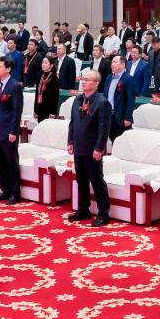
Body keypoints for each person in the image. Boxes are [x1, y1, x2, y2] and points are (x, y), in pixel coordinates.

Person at [65, 69, 113, 226]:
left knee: (97, 181)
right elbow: (73, 123)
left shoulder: (102, 102)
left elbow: (104, 129)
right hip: (79, 145)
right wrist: (70, 141)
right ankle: (83, 209)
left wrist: (99, 148)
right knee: (81, 180)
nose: (83, 82)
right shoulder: (78, 99)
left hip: (92, 149)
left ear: (96, 83)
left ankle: (103, 213)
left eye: (87, 79)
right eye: (83, 79)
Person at [0, 57, 23, 205]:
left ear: (8, 69)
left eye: (0, 66)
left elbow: (16, 111)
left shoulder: (15, 86)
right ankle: (5, 190)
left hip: (9, 129)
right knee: (0, 161)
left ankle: (15, 193)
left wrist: (13, 131)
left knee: (11, 162)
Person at [103, 55, 135, 141]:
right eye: (112, 62)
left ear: (123, 65)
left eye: (115, 62)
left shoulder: (128, 79)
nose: (112, 64)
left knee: (120, 141)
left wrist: (128, 118)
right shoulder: (109, 77)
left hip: (120, 116)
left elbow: (130, 100)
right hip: (108, 115)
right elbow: (105, 96)